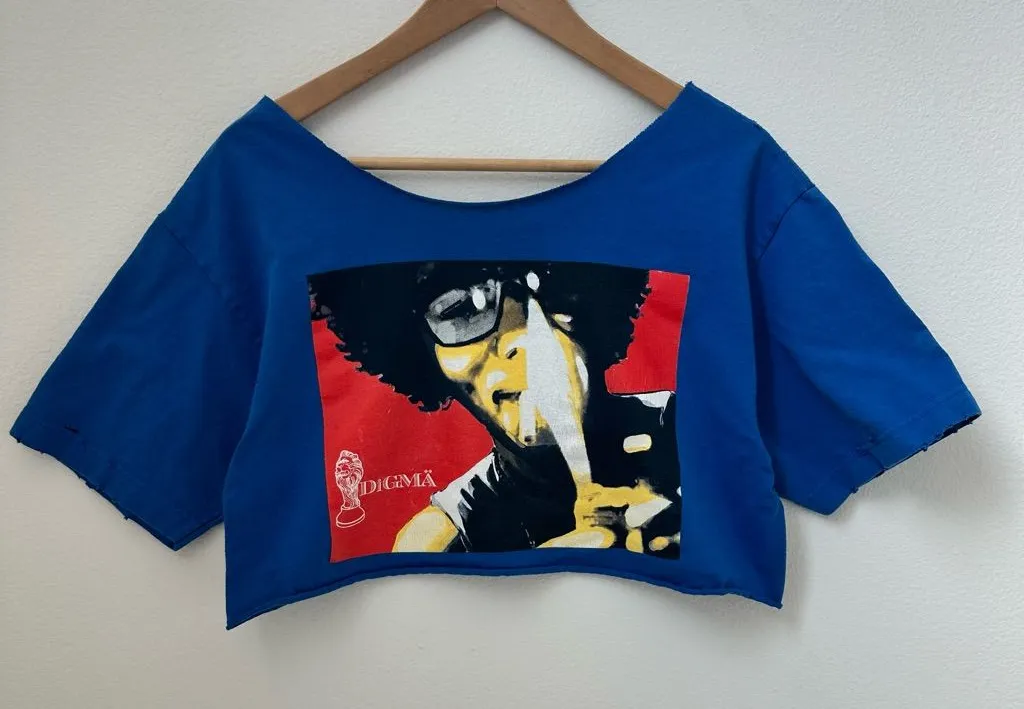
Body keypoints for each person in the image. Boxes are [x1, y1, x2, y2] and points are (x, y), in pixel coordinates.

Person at [309, 261, 681, 557]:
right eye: (461, 309)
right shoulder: (439, 543)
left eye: (549, 294)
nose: (527, 337)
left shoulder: (689, 433)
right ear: (418, 352)